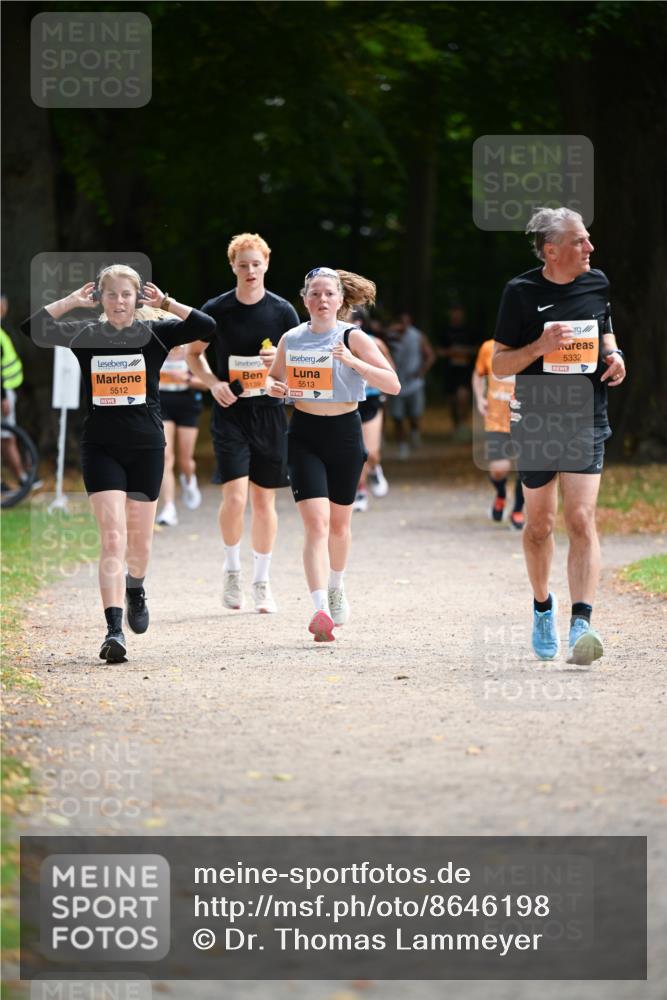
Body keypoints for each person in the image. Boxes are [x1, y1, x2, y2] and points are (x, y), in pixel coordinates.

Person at [21, 265, 215, 663]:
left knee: (139, 544)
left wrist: (167, 303)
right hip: (101, 448)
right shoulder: (86, 335)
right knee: (113, 538)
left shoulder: (156, 333)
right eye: (111, 294)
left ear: (137, 297)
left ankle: (136, 588)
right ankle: (113, 631)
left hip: (146, 447)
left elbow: (207, 326)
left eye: (127, 294)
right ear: (101, 298)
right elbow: (32, 327)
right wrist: (71, 301)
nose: (120, 301)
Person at [493, 207, 626, 665]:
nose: (590, 247)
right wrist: (539, 347)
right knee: (540, 525)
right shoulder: (520, 292)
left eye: (587, 239)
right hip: (536, 419)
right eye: (579, 241)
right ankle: (542, 607)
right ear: (552, 251)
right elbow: (500, 364)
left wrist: (615, 356)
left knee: (582, 518)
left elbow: (605, 329)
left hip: (585, 415)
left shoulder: (597, 282)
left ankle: (582, 624)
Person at [266, 267, 400, 642]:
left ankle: (337, 587)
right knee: (316, 525)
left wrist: (353, 362)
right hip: (304, 434)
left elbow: (393, 383)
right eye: (315, 293)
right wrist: (275, 388)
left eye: (329, 294)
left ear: (340, 300)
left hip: (345, 433)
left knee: (340, 526)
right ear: (304, 299)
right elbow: (274, 378)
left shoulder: (353, 337)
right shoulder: (291, 338)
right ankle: (320, 608)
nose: (322, 299)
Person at [186, 233, 299, 614]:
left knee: (264, 501)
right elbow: (194, 355)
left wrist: (278, 366)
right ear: (232, 266)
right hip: (230, 412)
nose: (250, 271)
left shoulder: (283, 312)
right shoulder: (217, 309)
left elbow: (297, 367)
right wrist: (212, 383)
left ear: (266, 264)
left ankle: (262, 581)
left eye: (256, 264)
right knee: (235, 497)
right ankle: (232, 570)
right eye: (243, 264)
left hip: (268, 412)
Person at [472, 338, 524, 529]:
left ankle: (517, 510)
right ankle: (501, 494)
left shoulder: (532, 347)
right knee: (499, 469)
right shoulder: (488, 347)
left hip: (527, 421)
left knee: (525, 469)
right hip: (496, 419)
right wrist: (479, 398)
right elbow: (478, 374)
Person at [155, 334, 207, 527]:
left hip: (187, 406)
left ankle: (189, 479)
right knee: (166, 457)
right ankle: (169, 508)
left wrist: (185, 378)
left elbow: (206, 383)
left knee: (186, 460)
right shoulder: (158, 349)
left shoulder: (191, 351)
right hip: (162, 406)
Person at [350, 308, 393, 512]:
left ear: (359, 322)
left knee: (371, 452)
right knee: (357, 452)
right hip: (347, 401)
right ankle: (360, 490)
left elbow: (391, 372)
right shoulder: (334, 342)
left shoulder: (375, 343)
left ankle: (375, 468)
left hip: (371, 400)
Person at [386, 311, 434, 459]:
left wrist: (421, 371)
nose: (403, 325)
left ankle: (414, 434)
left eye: (406, 322)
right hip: (395, 384)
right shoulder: (389, 336)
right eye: (401, 322)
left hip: (414, 384)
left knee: (414, 416)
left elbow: (430, 355)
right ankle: (402, 446)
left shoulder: (417, 336)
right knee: (397, 418)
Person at [1, 294, 35, 488]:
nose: (5, 309)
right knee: (8, 437)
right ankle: (23, 478)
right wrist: (3, 396)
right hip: (3, 393)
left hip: (7, 390)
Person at [437, 304, 479, 439]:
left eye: (459, 312)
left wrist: (464, 351)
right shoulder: (445, 331)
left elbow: (478, 349)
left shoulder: (470, 330)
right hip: (450, 371)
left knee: (463, 396)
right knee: (452, 401)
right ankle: (456, 425)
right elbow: (439, 351)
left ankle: (463, 424)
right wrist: (451, 352)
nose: (456, 315)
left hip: (465, 371)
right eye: (454, 312)